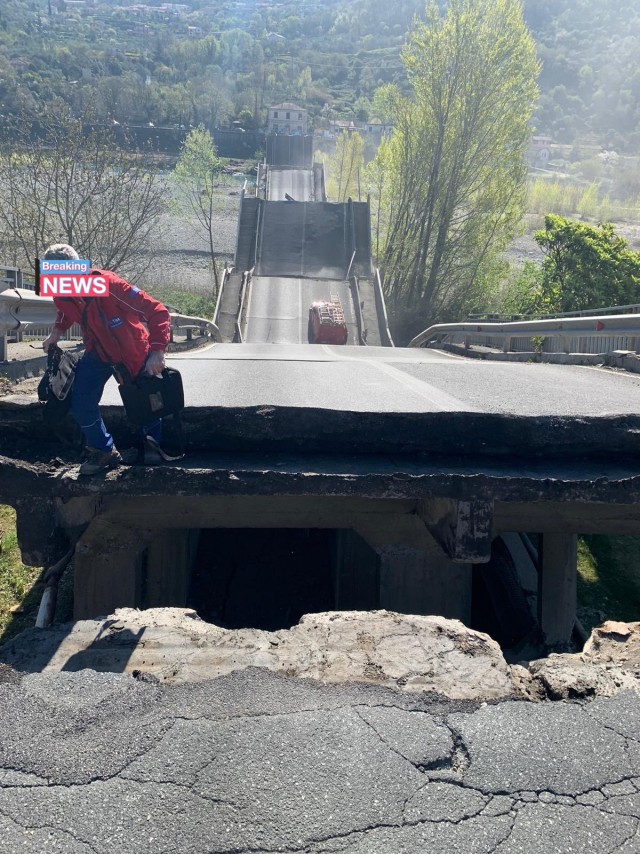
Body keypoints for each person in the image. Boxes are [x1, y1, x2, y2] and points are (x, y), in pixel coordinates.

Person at [41, 243, 172, 475]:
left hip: (132, 351)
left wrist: (158, 351)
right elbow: (64, 311)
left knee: (146, 402)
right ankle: (103, 450)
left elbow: (158, 311)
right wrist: (56, 333)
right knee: (81, 403)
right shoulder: (60, 293)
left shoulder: (110, 285)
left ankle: (153, 445)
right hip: (98, 353)